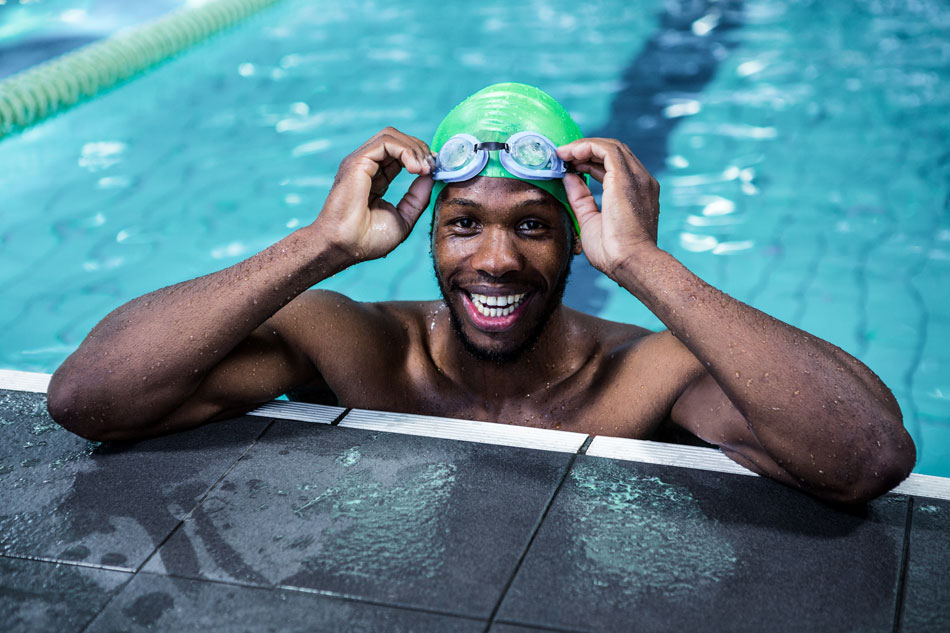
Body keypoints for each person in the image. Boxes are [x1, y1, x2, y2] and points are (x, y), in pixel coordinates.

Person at [47, 83, 915, 503]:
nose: (495, 259)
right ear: (428, 232)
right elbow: (90, 396)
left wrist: (648, 264)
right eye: (464, 224)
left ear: (576, 236)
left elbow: (866, 456)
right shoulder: (358, 347)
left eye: (533, 225)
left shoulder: (645, 374)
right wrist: (319, 246)